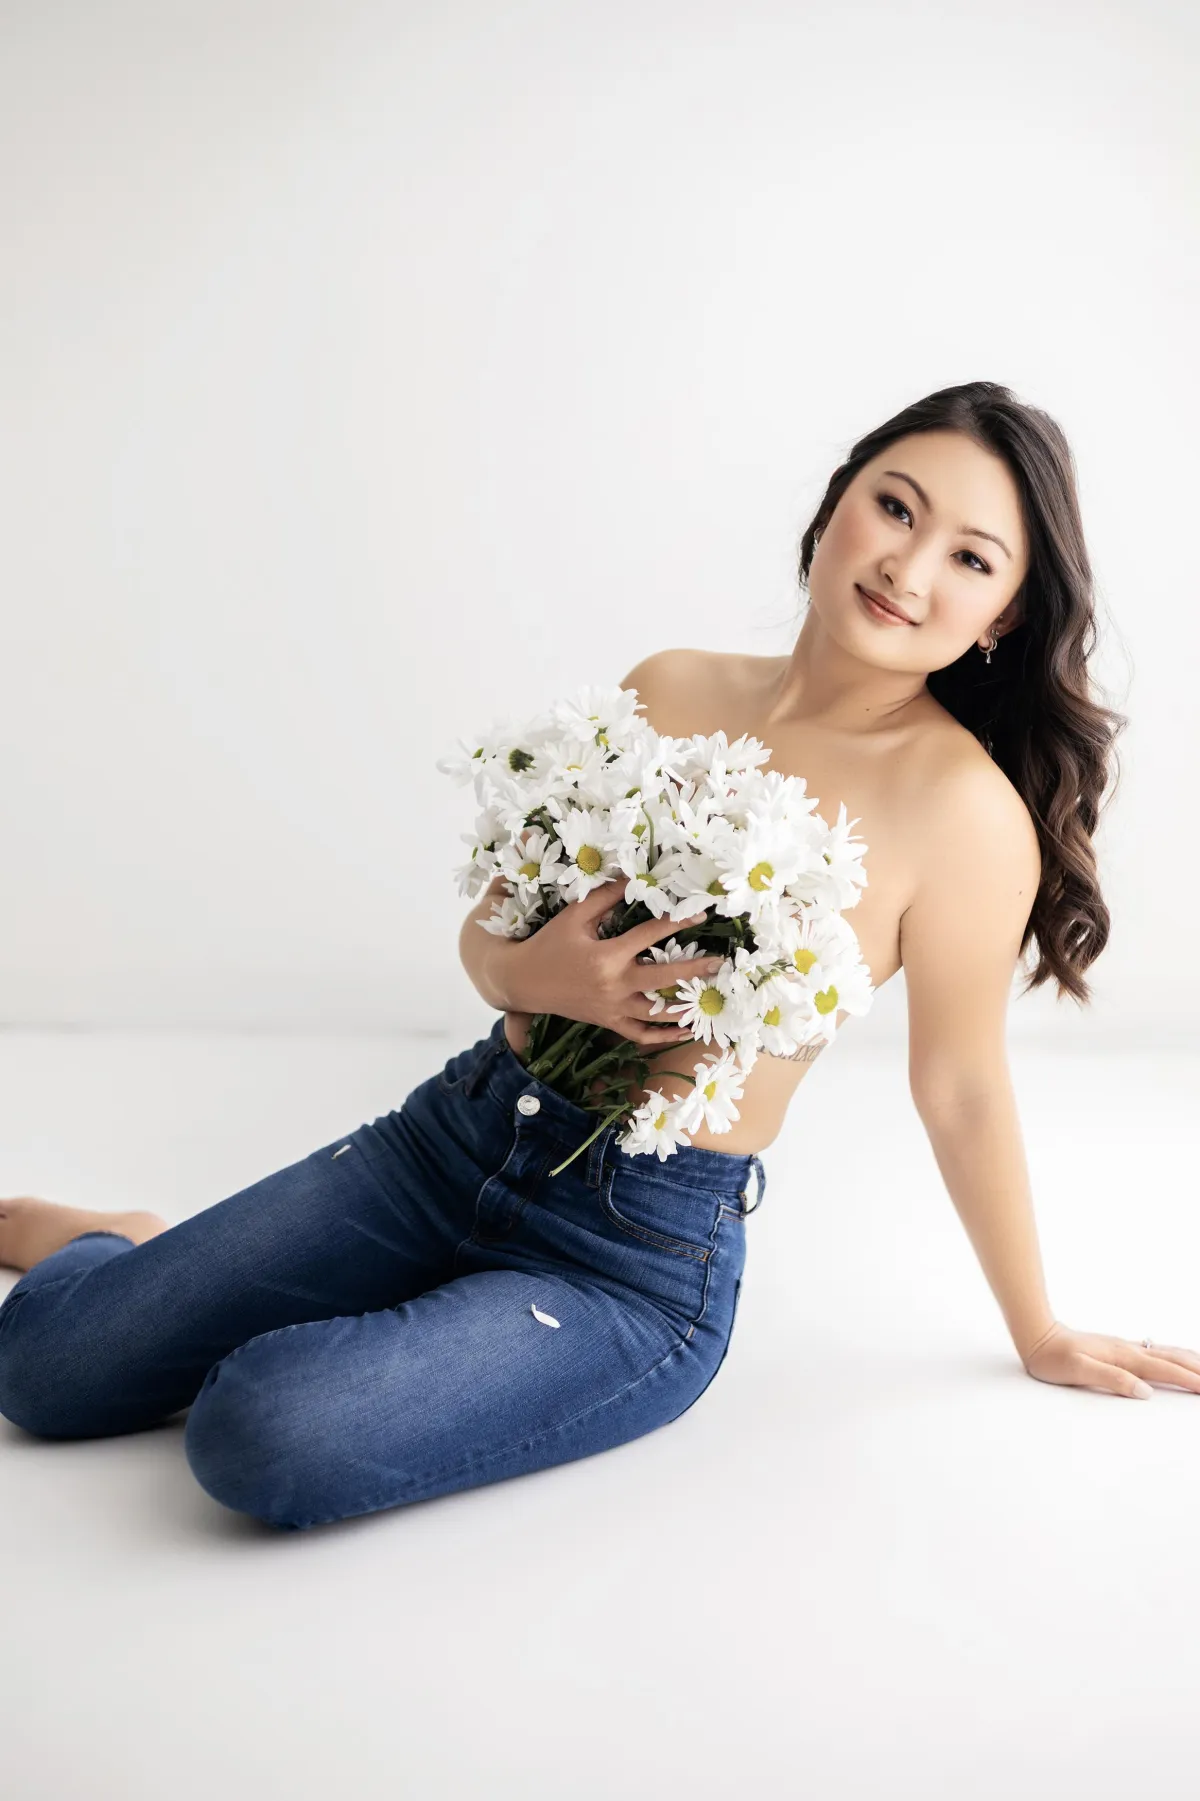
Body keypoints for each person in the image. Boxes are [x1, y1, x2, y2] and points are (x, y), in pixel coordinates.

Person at [2, 379, 1197, 1536]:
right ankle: (130, 1248)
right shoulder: (667, 687)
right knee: (45, 1371)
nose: (908, 564)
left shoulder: (965, 814)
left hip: (626, 1257)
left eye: (971, 558)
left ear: (1003, 620)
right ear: (835, 504)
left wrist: (1036, 1328)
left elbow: (962, 1087)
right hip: (452, 1137)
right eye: (895, 506)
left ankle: (257, 1300)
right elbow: (494, 934)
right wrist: (538, 983)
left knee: (255, 1430)